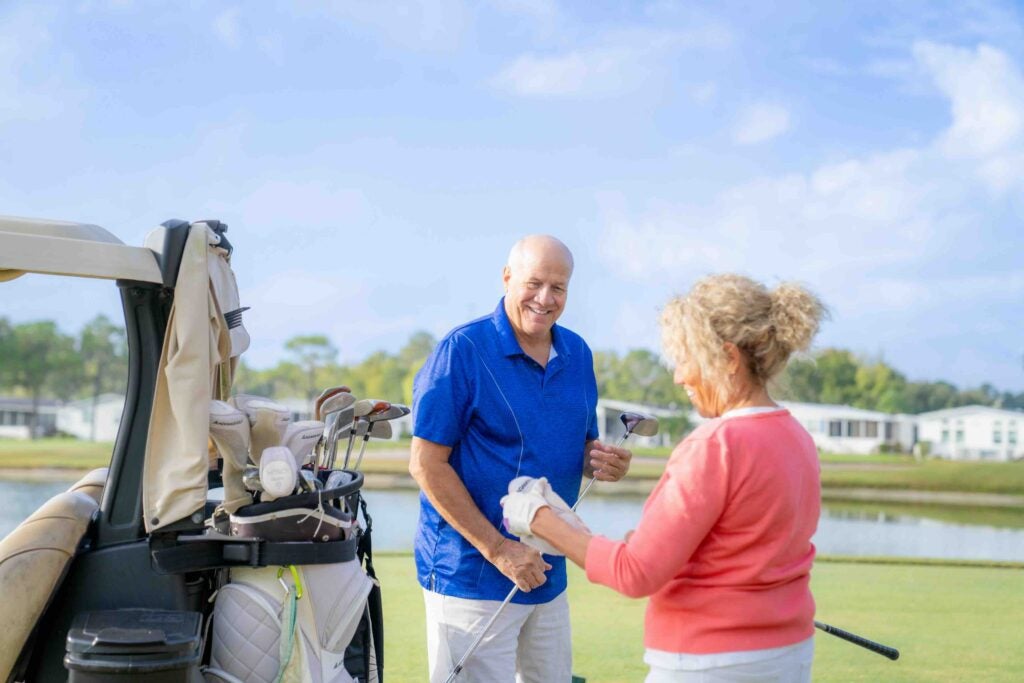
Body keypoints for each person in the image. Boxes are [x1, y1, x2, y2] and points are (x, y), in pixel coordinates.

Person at [503, 273, 828, 683]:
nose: (679, 377)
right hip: (788, 654)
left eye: (686, 358)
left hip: (709, 662)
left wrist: (537, 518)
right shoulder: (795, 436)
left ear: (728, 358)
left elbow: (635, 573)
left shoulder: (715, 446)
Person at [409, 235, 635, 682]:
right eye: (534, 283)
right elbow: (425, 464)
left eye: (559, 288)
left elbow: (578, 447)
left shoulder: (578, 353)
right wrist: (498, 549)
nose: (545, 299)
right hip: (471, 574)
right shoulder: (463, 350)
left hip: (547, 571)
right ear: (507, 278)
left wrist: (603, 461)